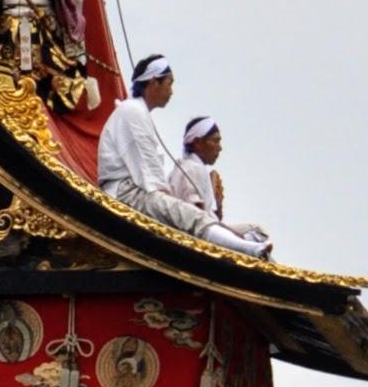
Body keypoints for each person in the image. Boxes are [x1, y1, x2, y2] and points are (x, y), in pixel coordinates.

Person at [98, 59, 269, 256]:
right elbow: (149, 173)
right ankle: (246, 248)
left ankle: (244, 245)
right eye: (169, 83)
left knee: (190, 215)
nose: (171, 91)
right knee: (188, 215)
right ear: (153, 82)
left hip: (135, 190)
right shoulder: (133, 111)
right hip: (125, 193)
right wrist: (171, 204)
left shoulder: (136, 111)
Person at [175, 117, 271, 255]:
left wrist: (217, 211)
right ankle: (245, 244)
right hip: (196, 234)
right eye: (215, 141)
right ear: (197, 143)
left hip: (205, 227)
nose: (220, 148)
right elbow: (195, 216)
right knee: (258, 232)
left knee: (258, 231)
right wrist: (236, 234)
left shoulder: (194, 167)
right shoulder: (192, 168)